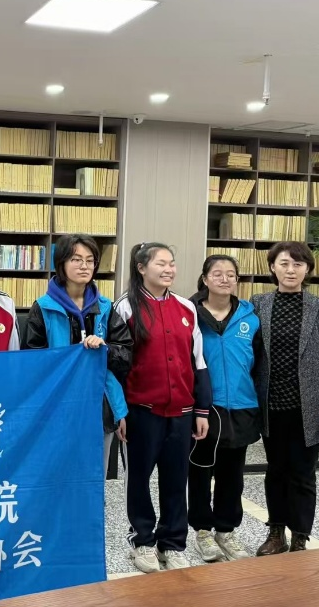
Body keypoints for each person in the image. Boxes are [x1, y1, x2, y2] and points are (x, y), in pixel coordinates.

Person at [114, 242, 210, 573]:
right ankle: (142, 540)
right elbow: (117, 365)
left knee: (176, 480)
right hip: (141, 412)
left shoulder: (186, 307)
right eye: (161, 263)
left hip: (181, 413)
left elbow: (198, 361)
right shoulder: (125, 308)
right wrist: (120, 412)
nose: (169, 269)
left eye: (172, 263)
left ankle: (173, 543)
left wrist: (201, 409)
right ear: (141, 268)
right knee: (138, 480)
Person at [252, 241, 319, 556]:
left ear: (307, 269)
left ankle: (300, 538)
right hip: (271, 403)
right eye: (284, 263)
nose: (291, 270)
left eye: (298, 264)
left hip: (310, 406)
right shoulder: (258, 303)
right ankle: (276, 533)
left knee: (303, 473)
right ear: (272, 267)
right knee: (275, 470)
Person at [21, 234, 131, 478]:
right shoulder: (43, 307)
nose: (84, 266)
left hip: (100, 403)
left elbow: (126, 354)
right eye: (76, 259)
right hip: (57, 403)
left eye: (90, 260)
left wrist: (105, 348)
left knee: (96, 474)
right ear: (61, 263)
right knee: (58, 473)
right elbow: (31, 361)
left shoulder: (105, 307)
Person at [188, 254, 264, 563]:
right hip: (206, 407)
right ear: (205, 279)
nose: (224, 278)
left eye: (230, 274)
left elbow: (260, 364)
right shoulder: (190, 314)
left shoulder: (251, 317)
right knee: (200, 470)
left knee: (232, 475)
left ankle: (226, 529)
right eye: (217, 273)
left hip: (243, 406)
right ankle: (202, 531)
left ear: (237, 280)